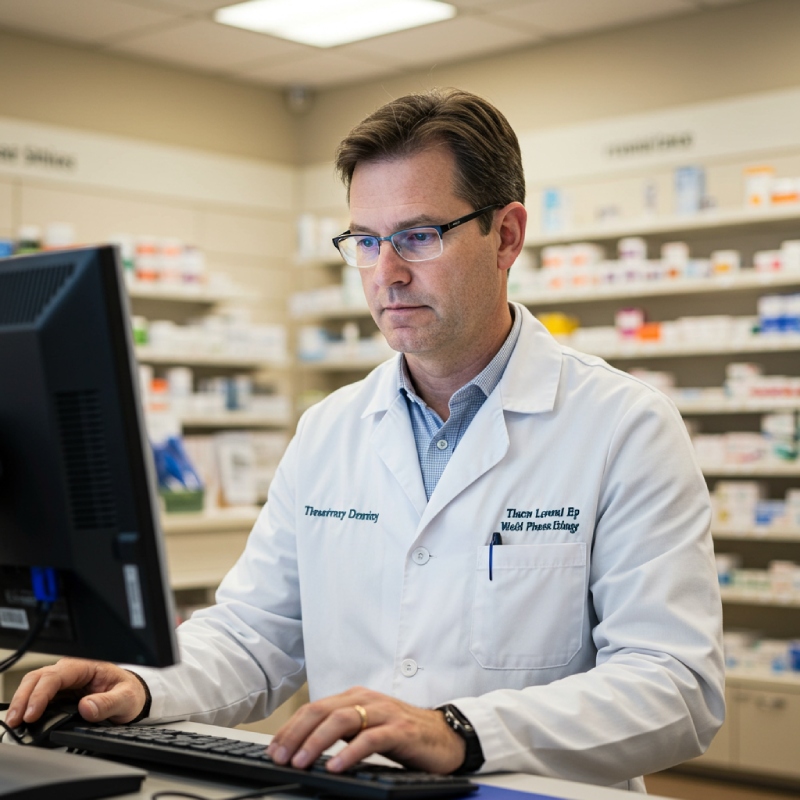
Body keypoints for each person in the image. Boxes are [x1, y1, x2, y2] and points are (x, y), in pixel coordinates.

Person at [7, 88, 725, 791]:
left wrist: (461, 731)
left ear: (506, 235)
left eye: (419, 235)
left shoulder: (623, 425)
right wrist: (138, 682)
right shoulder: (330, 430)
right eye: (367, 240)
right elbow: (255, 635)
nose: (387, 273)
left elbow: (675, 685)